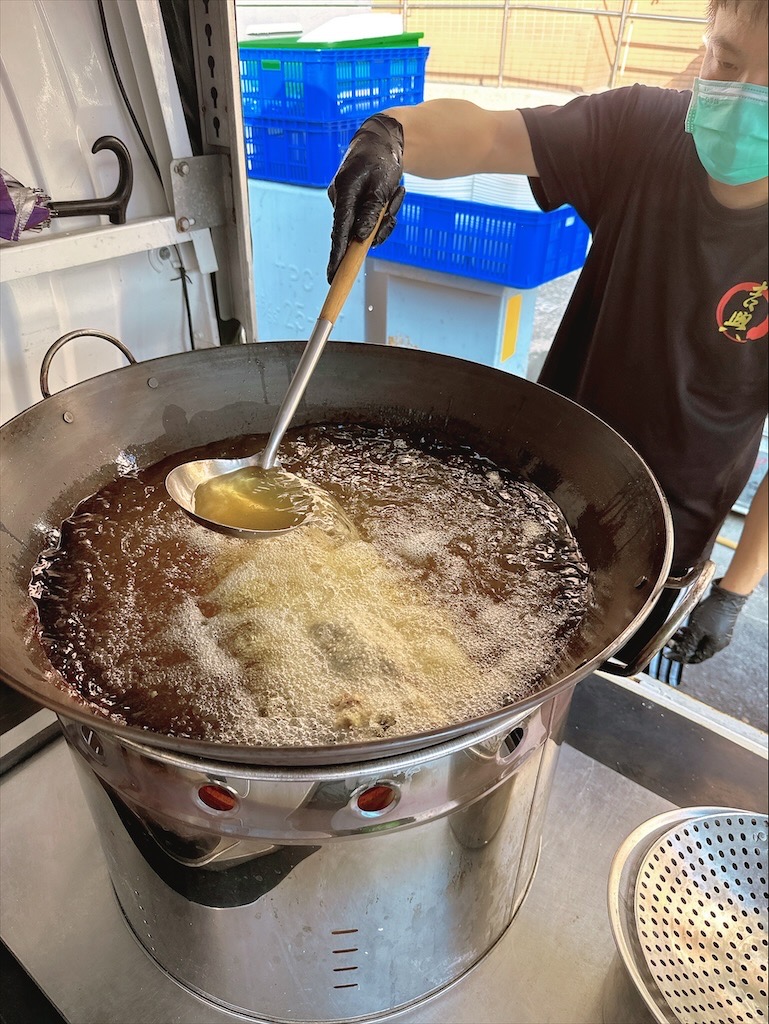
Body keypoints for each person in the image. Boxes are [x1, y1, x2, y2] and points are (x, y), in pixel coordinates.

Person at [325, 0, 768, 670]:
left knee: (596, 675)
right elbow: (486, 135)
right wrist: (389, 136)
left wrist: (735, 591)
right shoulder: (644, 132)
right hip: (540, 487)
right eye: (726, 63)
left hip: (670, 532)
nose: (738, 103)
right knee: (480, 654)